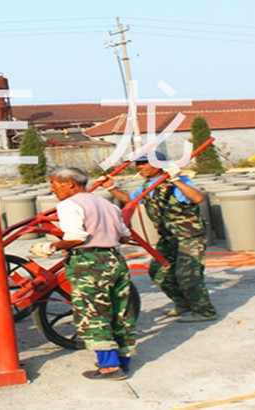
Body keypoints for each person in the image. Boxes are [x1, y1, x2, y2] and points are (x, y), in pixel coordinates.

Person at [29, 167, 136, 380]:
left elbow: (77, 237)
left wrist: (53, 246)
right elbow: (125, 236)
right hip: (115, 260)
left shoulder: (69, 205)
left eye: (55, 184)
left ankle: (109, 367)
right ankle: (123, 359)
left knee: (94, 312)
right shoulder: (108, 204)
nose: (53, 189)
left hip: (89, 263)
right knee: (120, 310)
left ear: (69, 183)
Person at [101, 152, 218, 323]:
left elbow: (198, 198)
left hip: (188, 235)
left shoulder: (176, 182)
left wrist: (175, 180)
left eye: (144, 164)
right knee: (157, 271)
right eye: (137, 164)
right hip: (168, 236)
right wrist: (111, 188)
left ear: (159, 164)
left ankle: (205, 311)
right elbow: (130, 200)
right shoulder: (148, 185)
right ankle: (183, 303)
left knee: (187, 275)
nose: (139, 168)